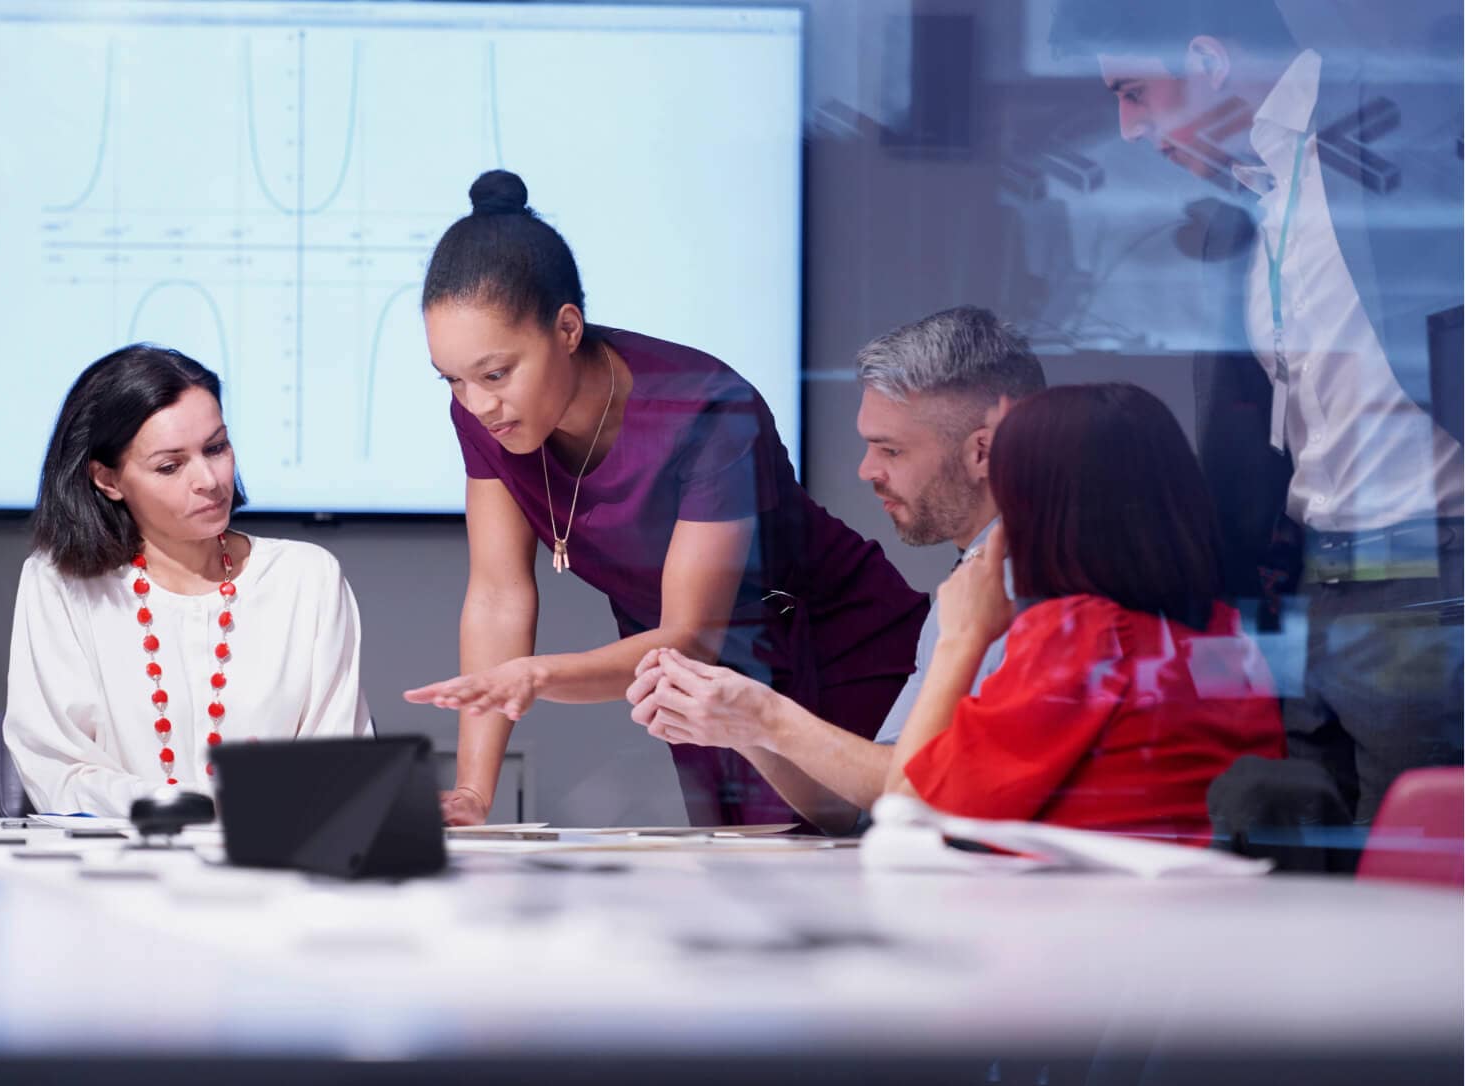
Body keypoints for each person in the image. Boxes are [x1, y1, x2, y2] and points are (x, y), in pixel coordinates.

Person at [402, 170, 930, 828]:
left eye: (496, 373)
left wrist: (537, 676)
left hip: (827, 648)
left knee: (867, 873)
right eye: (452, 380)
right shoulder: (489, 419)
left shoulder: (703, 407)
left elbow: (691, 635)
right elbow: (498, 595)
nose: (478, 403)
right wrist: (475, 794)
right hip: (691, 681)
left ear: (567, 328)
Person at [1051, 0, 1464, 824]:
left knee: (1412, 881)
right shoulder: (1242, 213)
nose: (1130, 129)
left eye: (1134, 92)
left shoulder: (1412, 131)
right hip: (1312, 582)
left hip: (1429, 564)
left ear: (1205, 61)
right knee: (1307, 870)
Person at [626, 307, 1046, 833]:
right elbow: (864, 806)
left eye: (890, 449)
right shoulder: (972, 581)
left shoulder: (1036, 586)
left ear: (981, 451)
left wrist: (767, 717)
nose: (867, 470)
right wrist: (743, 728)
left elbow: (917, 793)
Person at [884, 383, 1285, 838]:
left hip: (1086, 905)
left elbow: (903, 814)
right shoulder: (1224, 635)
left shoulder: (1082, 639)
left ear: (1042, 514)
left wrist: (961, 638)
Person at [4, 344, 372, 816]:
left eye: (216, 448)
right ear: (107, 480)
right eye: (170, 466)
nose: (209, 479)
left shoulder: (306, 578)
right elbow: (58, 770)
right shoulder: (59, 583)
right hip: (113, 873)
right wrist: (174, 806)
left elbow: (339, 765)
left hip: (274, 869)